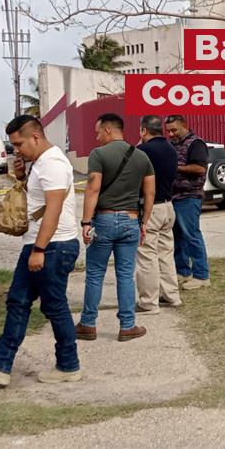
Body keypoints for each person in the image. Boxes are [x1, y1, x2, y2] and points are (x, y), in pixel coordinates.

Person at [0, 114, 81, 386]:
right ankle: (0, 366)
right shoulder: (39, 163)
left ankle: (68, 366)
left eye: (18, 143)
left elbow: (53, 209)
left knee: (55, 307)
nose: (15, 150)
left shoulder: (52, 163)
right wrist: (21, 176)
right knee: (17, 301)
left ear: (35, 137)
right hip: (39, 244)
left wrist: (39, 249)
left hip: (53, 247)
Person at [76, 113, 155, 341]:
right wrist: (144, 222)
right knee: (125, 275)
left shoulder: (98, 154)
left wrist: (85, 222)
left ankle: (88, 324)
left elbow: (92, 189)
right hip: (131, 222)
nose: (97, 137)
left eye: (98, 132)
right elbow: (149, 192)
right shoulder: (142, 157)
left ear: (108, 131)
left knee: (94, 274)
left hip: (104, 220)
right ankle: (127, 326)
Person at [135, 115, 182, 314]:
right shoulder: (171, 149)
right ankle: (171, 295)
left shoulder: (143, 151)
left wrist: (139, 144)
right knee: (165, 253)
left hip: (150, 207)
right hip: (168, 206)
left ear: (144, 131)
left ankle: (148, 302)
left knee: (147, 255)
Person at [165, 115, 210, 290]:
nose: (171, 134)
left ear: (184, 126)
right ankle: (182, 271)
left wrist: (174, 167)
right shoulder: (172, 145)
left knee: (191, 235)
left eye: (174, 130)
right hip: (174, 197)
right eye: (168, 131)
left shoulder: (196, 144)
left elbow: (199, 168)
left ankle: (201, 275)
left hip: (189, 196)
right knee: (178, 237)